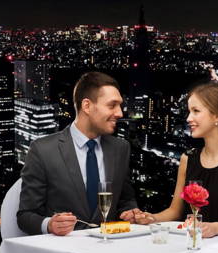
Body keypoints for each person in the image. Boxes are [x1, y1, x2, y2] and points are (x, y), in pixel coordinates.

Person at [17, 72, 140, 236]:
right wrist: (49, 225)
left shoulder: (121, 148)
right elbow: (25, 216)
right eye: (112, 105)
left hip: (110, 252)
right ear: (87, 106)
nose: (120, 113)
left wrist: (131, 212)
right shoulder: (42, 150)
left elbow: (126, 200)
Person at [135, 81, 218, 237]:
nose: (188, 118)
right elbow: (174, 211)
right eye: (189, 111)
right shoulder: (188, 159)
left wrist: (215, 228)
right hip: (192, 244)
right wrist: (152, 218)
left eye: (196, 111)